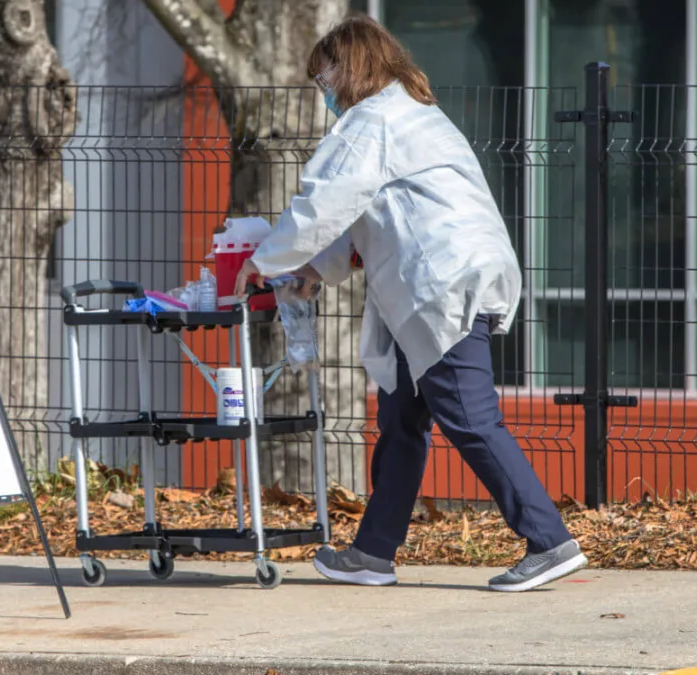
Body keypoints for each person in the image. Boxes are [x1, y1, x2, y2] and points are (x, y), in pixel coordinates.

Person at [234, 14, 587, 592]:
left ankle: (549, 540)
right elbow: (363, 214)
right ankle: (373, 552)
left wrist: (264, 261)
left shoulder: (371, 121)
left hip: (440, 286)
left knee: (469, 416)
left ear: (350, 67)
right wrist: (313, 270)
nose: (323, 90)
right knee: (401, 418)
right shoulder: (413, 113)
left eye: (324, 76)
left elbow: (325, 203)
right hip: (444, 280)